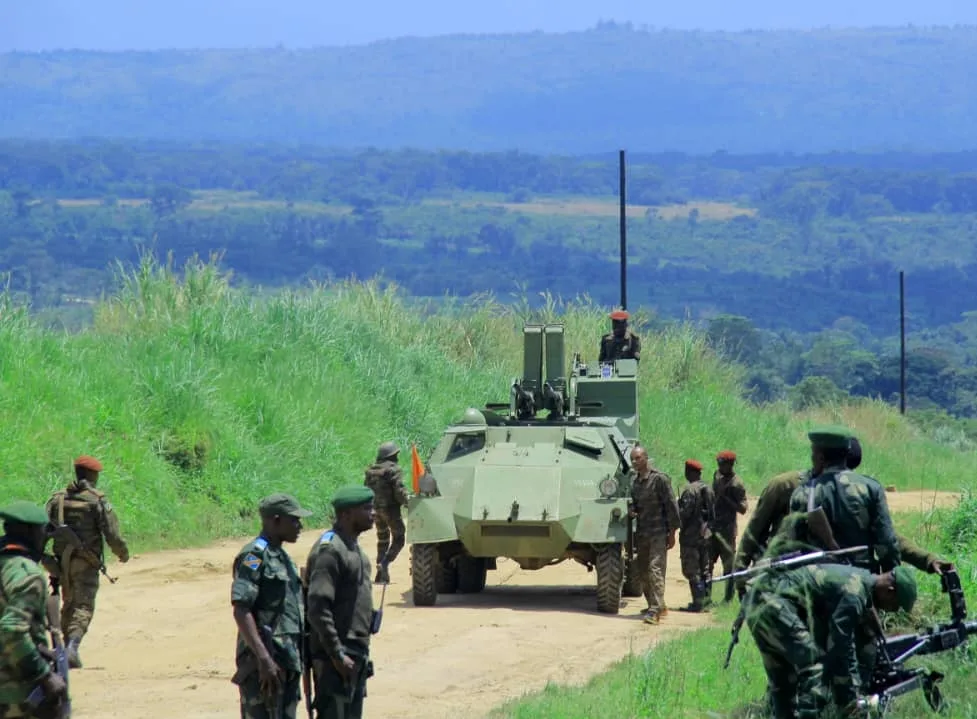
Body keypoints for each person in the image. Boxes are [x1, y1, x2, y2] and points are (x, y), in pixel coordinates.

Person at [732, 436, 952, 598]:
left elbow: (888, 538)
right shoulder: (786, 487)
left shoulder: (855, 492)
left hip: (848, 585)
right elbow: (755, 530)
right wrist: (740, 573)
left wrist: (927, 559)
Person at [745, 563, 917, 719]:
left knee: (783, 680)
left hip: (759, 601)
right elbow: (840, 646)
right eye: (895, 606)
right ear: (890, 590)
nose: (891, 610)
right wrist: (850, 698)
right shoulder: (855, 593)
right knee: (815, 668)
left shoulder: (860, 579)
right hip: (772, 604)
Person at [230, 493, 312, 719]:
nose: (300, 526)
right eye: (294, 520)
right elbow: (241, 609)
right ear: (276, 520)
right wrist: (264, 659)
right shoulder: (254, 556)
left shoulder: (282, 556)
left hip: (287, 659)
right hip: (265, 662)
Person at [45, 454, 129, 668]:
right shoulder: (96, 500)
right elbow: (112, 533)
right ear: (93, 475)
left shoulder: (58, 499)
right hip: (85, 562)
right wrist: (122, 552)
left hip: (61, 562)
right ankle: (72, 648)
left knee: (68, 603)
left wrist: (44, 558)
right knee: (83, 605)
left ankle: (64, 649)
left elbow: (43, 530)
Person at [785, 425, 902, 573]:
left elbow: (793, 545)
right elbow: (886, 543)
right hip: (862, 578)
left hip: (819, 579)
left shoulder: (803, 493)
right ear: (846, 454)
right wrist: (890, 577)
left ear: (820, 458)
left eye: (813, 454)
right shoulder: (871, 488)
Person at [305, 486, 377, 719]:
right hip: (335, 656)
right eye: (366, 508)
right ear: (346, 514)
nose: (373, 513)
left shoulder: (353, 547)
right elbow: (317, 607)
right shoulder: (331, 550)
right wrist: (337, 654)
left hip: (354, 651)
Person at [0, 500, 68, 717]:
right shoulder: (27, 574)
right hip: (14, 695)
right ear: (30, 533)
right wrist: (44, 675)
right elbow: (12, 629)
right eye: (43, 532)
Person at [629, 445, 680, 624]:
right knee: (642, 570)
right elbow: (634, 504)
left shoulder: (659, 479)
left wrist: (672, 533)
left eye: (638, 458)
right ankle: (656, 604)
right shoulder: (635, 482)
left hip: (659, 532)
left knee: (655, 569)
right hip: (642, 533)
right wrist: (632, 510)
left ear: (646, 458)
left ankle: (655, 610)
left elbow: (671, 506)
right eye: (632, 459)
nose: (635, 462)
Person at [363, 442, 408, 584]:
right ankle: (384, 563)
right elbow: (399, 491)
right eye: (396, 455)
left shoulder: (371, 471)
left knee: (382, 539)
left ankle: (381, 575)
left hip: (375, 510)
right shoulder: (393, 470)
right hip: (391, 511)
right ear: (392, 456)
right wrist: (408, 502)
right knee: (399, 538)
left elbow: (365, 490)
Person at [709, 450, 748, 603]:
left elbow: (743, 508)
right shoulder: (717, 476)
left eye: (722, 464)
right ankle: (705, 598)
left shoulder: (737, 484)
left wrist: (725, 497)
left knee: (728, 567)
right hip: (713, 528)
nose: (719, 467)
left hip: (727, 531)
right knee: (707, 564)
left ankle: (728, 599)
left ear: (730, 465)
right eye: (718, 463)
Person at [677, 459, 715, 612]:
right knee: (705, 569)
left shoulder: (690, 490)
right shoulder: (709, 488)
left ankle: (698, 603)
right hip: (706, 535)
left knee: (692, 570)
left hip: (690, 537)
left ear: (689, 472)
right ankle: (707, 600)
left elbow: (684, 514)